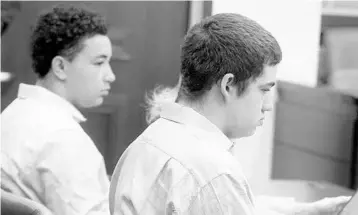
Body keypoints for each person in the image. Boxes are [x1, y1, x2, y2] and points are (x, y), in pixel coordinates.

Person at [109, 13, 350, 214]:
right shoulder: (212, 172)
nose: (267, 105)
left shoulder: (149, 142)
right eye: (264, 90)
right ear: (229, 85)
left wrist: (309, 211)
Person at [1, 4, 115, 215]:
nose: (110, 76)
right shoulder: (63, 138)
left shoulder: (12, 114)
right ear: (60, 67)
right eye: (99, 63)